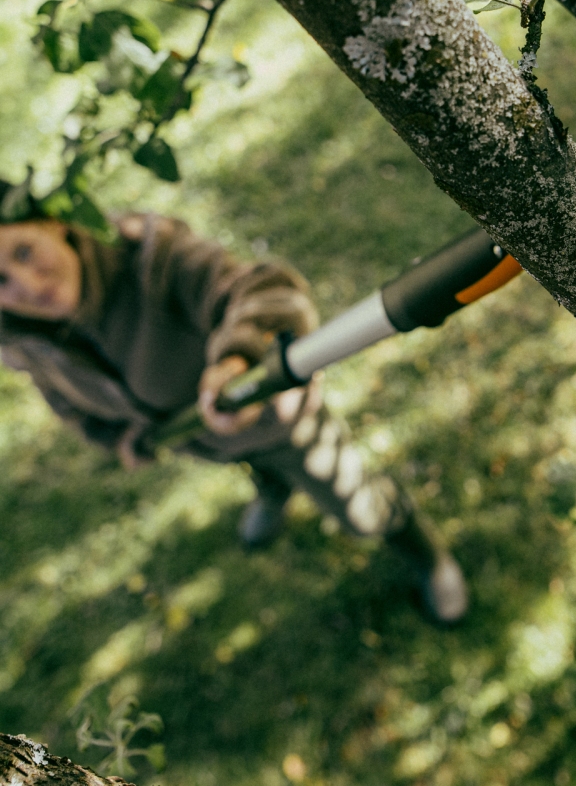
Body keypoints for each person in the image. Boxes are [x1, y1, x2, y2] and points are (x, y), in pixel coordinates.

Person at [0, 182, 468, 624]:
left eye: (23, 251)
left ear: (55, 223)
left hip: (283, 425)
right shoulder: (25, 341)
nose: (28, 284)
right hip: (208, 443)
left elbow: (264, 290)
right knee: (255, 467)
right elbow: (68, 406)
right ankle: (274, 489)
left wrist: (239, 359)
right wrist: (124, 440)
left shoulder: (149, 256)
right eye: (0, 280)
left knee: (361, 512)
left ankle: (427, 555)